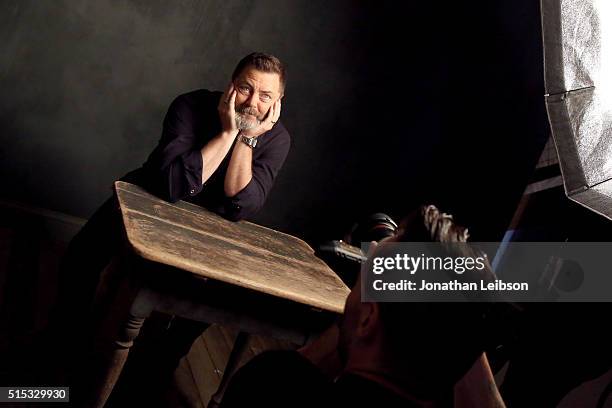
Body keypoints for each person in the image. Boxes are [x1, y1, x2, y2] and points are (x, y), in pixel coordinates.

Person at [40, 52, 291, 396]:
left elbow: (240, 204)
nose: (252, 103)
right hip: (146, 197)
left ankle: (153, 372)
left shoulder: (277, 139)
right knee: (81, 255)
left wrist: (245, 138)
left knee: (210, 301)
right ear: (231, 86)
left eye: (266, 96)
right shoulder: (189, 105)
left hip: (206, 224)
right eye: (246, 89)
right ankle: (60, 348)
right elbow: (173, 186)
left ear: (277, 103)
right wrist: (228, 131)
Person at [219, 205, 506, 408]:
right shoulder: (455, 351)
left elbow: (289, 379)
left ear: (368, 318)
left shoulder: (271, 386)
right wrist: (461, 316)